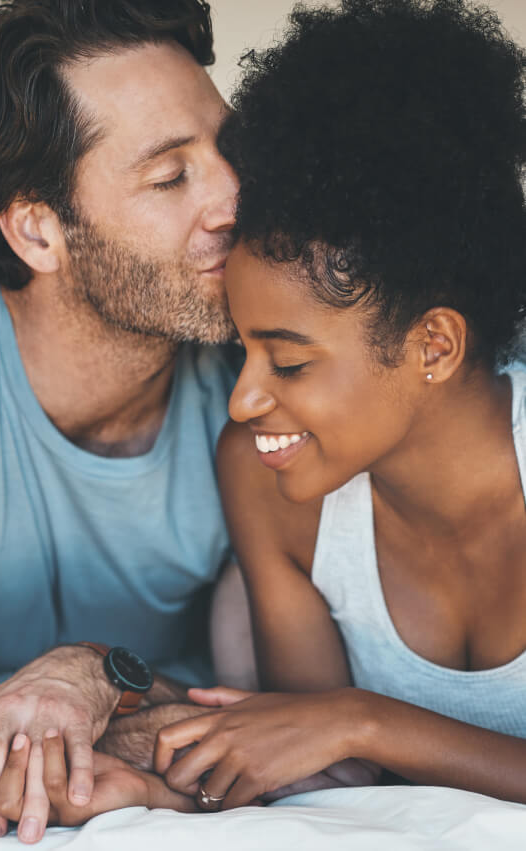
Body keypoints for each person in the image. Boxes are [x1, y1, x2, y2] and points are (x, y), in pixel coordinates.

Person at [0, 0, 249, 840]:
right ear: (38, 229)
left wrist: (97, 674)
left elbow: (277, 710)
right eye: (170, 176)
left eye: (231, 149)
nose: (233, 198)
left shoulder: (264, 383)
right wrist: (21, 752)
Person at [152, 0, 526, 811]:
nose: (246, 398)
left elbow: (335, 729)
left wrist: (364, 719)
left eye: (287, 359)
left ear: (434, 345)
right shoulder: (264, 482)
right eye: (241, 349)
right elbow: (325, 785)